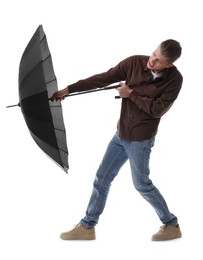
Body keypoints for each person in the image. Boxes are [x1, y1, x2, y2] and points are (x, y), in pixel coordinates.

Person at [50, 39, 183, 241]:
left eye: (158, 61)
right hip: (121, 134)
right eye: (153, 54)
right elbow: (103, 78)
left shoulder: (175, 79)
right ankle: (87, 226)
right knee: (102, 178)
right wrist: (68, 90)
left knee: (141, 184)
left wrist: (130, 93)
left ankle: (171, 224)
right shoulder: (134, 63)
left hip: (140, 139)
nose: (151, 61)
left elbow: (157, 110)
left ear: (169, 65)